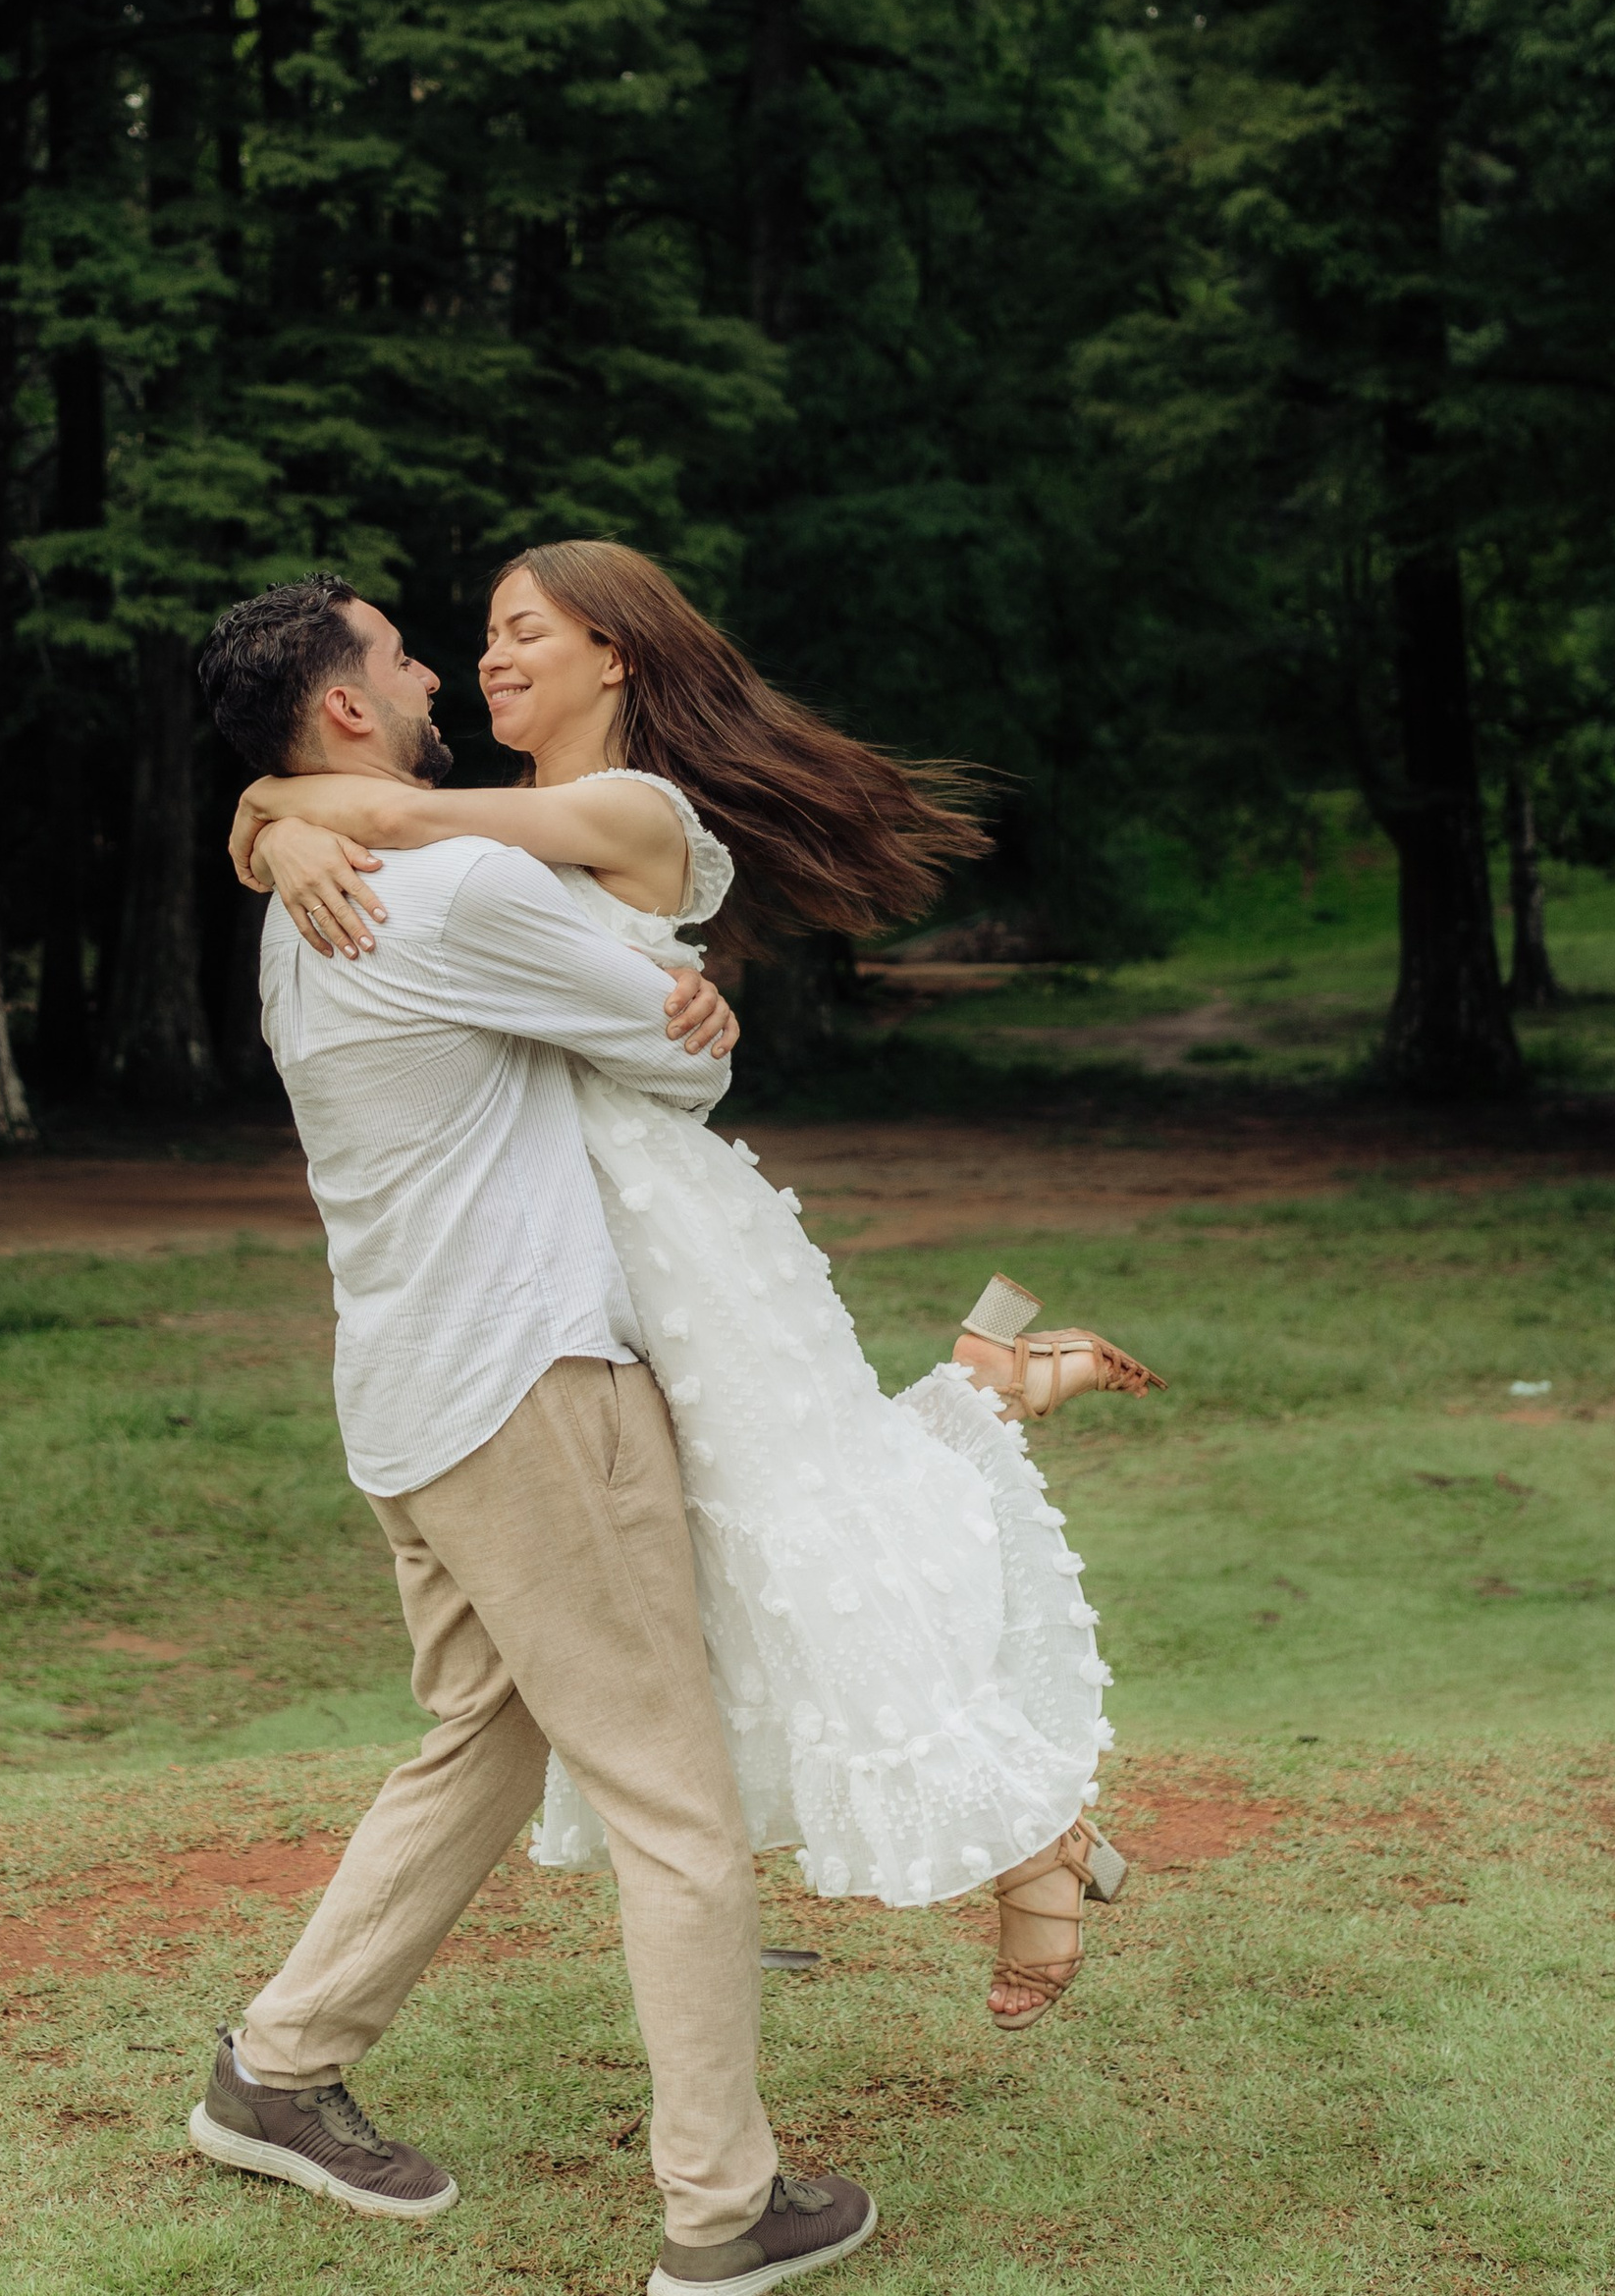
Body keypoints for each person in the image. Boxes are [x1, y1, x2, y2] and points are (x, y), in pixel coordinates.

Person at [227, 540, 1166, 2055]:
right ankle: (995, 1386)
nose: (483, 659)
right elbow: (387, 819)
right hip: (583, 1237)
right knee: (755, 1549)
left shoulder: (629, 810)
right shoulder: (487, 841)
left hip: (658, 1214)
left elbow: (392, 810)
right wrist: (278, 827)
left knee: (809, 1523)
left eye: (524, 630)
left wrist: (274, 814)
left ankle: (1033, 1839)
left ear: (620, 658)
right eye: (473, 638)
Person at [192, 570, 878, 2296]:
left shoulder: (304, 905)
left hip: (411, 1397)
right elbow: (677, 1056)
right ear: (349, 712)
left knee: (483, 1741)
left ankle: (278, 2066)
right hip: (532, 1387)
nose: (437, 670)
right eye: (405, 657)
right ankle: (723, 2209)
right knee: (670, 1792)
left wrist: (270, 825)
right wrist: (690, 1016)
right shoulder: (464, 885)